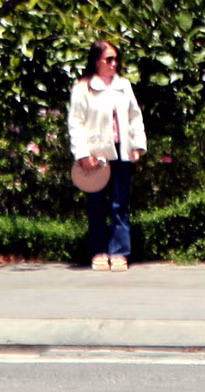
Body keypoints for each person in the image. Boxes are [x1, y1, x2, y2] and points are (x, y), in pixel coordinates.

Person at [68, 39, 146, 271]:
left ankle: (120, 252)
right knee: (97, 205)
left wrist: (138, 145)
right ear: (97, 61)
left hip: (121, 153)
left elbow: (134, 116)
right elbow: (76, 123)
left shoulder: (123, 86)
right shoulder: (83, 88)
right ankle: (99, 252)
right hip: (96, 156)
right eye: (109, 59)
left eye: (116, 59)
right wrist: (82, 154)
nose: (114, 63)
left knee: (120, 205)